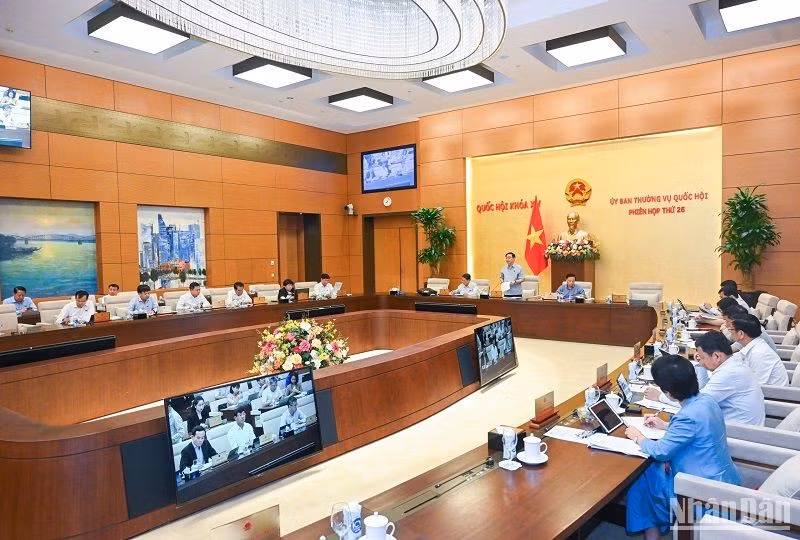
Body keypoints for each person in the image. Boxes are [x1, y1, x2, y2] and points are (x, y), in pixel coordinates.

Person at [624, 354, 740, 539]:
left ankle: (653, 533)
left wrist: (637, 437)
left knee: (643, 480)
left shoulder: (688, 416)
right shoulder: (706, 400)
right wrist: (665, 425)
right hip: (725, 478)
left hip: (702, 491)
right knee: (650, 475)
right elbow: (700, 428)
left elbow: (661, 451)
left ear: (668, 392)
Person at [730, 315, 788, 386]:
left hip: (772, 395)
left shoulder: (759, 353)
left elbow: (756, 387)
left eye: (731, 329)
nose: (730, 332)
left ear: (741, 334)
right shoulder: (753, 344)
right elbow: (736, 358)